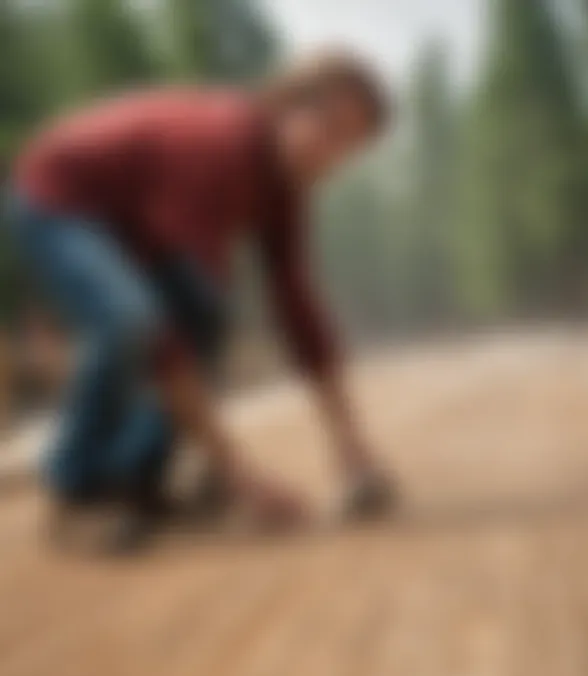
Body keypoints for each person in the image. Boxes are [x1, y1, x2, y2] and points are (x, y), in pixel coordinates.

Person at [5, 50, 396, 551]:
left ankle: (137, 482)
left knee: (204, 312)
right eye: (325, 124)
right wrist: (237, 473)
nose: (329, 150)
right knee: (131, 318)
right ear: (285, 102)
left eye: (348, 143)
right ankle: (78, 493)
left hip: (128, 220)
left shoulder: (284, 183)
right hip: (58, 198)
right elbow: (165, 343)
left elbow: (297, 306)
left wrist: (352, 449)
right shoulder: (217, 148)